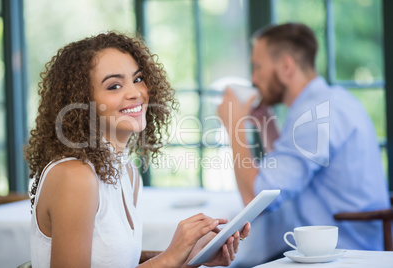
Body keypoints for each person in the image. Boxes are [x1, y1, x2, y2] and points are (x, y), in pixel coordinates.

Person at [24, 31, 250, 268]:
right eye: (114, 86)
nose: (135, 93)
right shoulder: (74, 175)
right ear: (81, 102)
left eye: (138, 79)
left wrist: (190, 257)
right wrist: (170, 257)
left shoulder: (127, 173)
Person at [218, 23, 389, 251]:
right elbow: (287, 176)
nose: (254, 78)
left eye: (258, 67)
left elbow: (256, 200)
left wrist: (234, 125)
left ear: (287, 66)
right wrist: (264, 124)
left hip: (342, 253)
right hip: (356, 242)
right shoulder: (332, 101)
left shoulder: (312, 117)